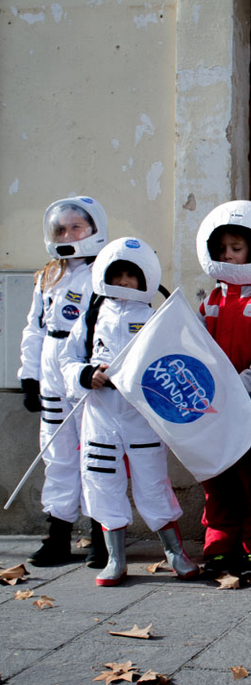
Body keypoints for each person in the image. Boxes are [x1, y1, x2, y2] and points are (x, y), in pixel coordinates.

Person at [59, 237, 200, 587]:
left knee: (153, 484)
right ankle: (115, 558)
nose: (123, 283)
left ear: (145, 278)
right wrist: (85, 375)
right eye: (116, 275)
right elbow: (67, 359)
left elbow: (174, 360)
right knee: (103, 483)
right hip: (100, 415)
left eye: (130, 276)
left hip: (142, 416)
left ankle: (175, 553)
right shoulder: (92, 317)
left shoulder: (155, 317)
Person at [195, 199, 251, 578]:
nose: (229, 256)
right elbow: (195, 346)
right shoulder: (211, 299)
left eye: (237, 248)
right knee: (218, 478)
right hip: (214, 408)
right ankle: (218, 543)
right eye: (223, 250)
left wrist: (245, 388)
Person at [20, 196, 109, 568]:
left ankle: (102, 535)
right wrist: (29, 376)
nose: (68, 234)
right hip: (51, 368)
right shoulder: (48, 276)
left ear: (93, 230)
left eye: (76, 227)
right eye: (61, 229)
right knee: (56, 455)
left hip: (86, 370)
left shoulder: (104, 271)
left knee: (96, 453)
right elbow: (34, 328)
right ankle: (57, 534)